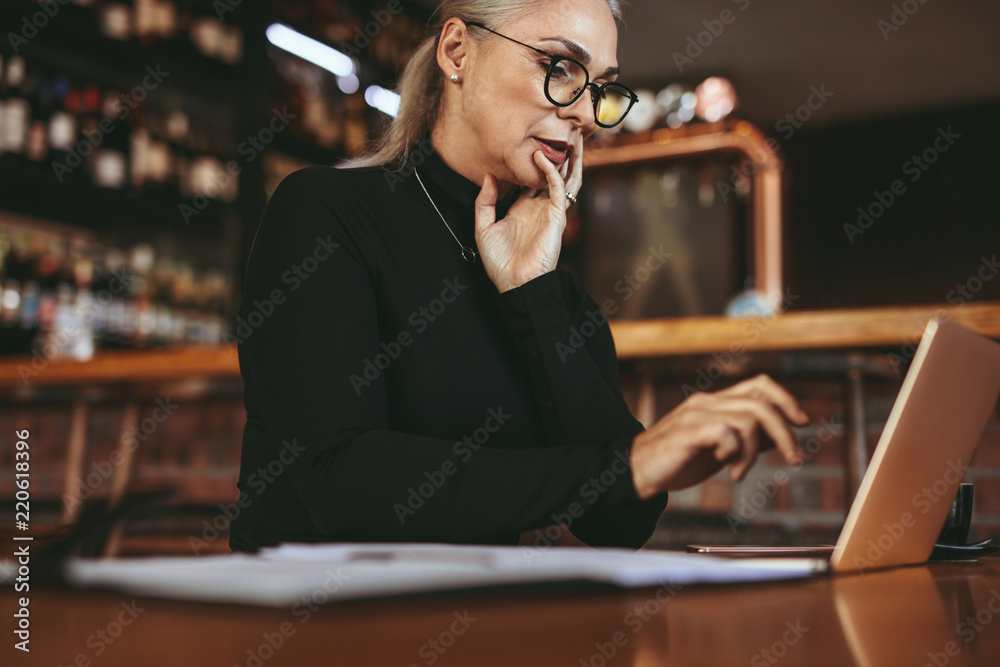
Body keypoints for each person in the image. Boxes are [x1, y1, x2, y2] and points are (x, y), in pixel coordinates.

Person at [228, 0, 810, 553]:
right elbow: (340, 481)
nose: (585, 112)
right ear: (457, 51)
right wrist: (622, 465)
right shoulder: (324, 212)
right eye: (560, 66)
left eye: (600, 86)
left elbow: (621, 520)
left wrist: (533, 296)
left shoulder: (552, 288)